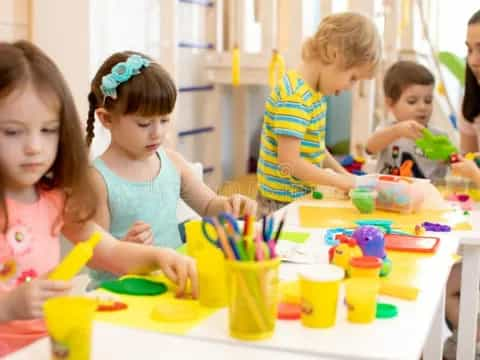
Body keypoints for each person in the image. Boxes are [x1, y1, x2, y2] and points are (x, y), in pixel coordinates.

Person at [0, 41, 197, 355]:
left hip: (50, 344)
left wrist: (161, 257)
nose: (34, 147)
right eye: (12, 132)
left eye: (48, 130)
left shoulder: (52, 199)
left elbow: (108, 250)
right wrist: (8, 306)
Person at [85, 51, 257, 286]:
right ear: (106, 119)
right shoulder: (97, 180)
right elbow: (93, 256)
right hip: (119, 294)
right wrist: (125, 247)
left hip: (172, 284)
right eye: (144, 123)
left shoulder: (172, 162)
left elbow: (208, 206)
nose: (157, 132)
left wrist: (230, 205)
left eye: (164, 120)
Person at [256, 12, 381, 215]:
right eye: (353, 78)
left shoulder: (314, 95)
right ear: (333, 54)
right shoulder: (295, 98)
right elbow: (289, 162)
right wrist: (337, 180)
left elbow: (315, 148)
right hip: (279, 206)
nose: (351, 87)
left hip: (298, 199)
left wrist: (346, 178)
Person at [444, 10, 480, 360]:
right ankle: (467, 343)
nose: (473, 60)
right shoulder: (471, 101)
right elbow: (468, 160)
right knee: (449, 283)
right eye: (469, 49)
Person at [366, 60, 448, 181]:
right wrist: (397, 132)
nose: (422, 107)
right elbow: (370, 148)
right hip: (389, 195)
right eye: (412, 101)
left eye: (428, 100)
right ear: (390, 103)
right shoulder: (388, 130)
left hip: (427, 196)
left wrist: (448, 159)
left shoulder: (438, 136)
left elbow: (455, 165)